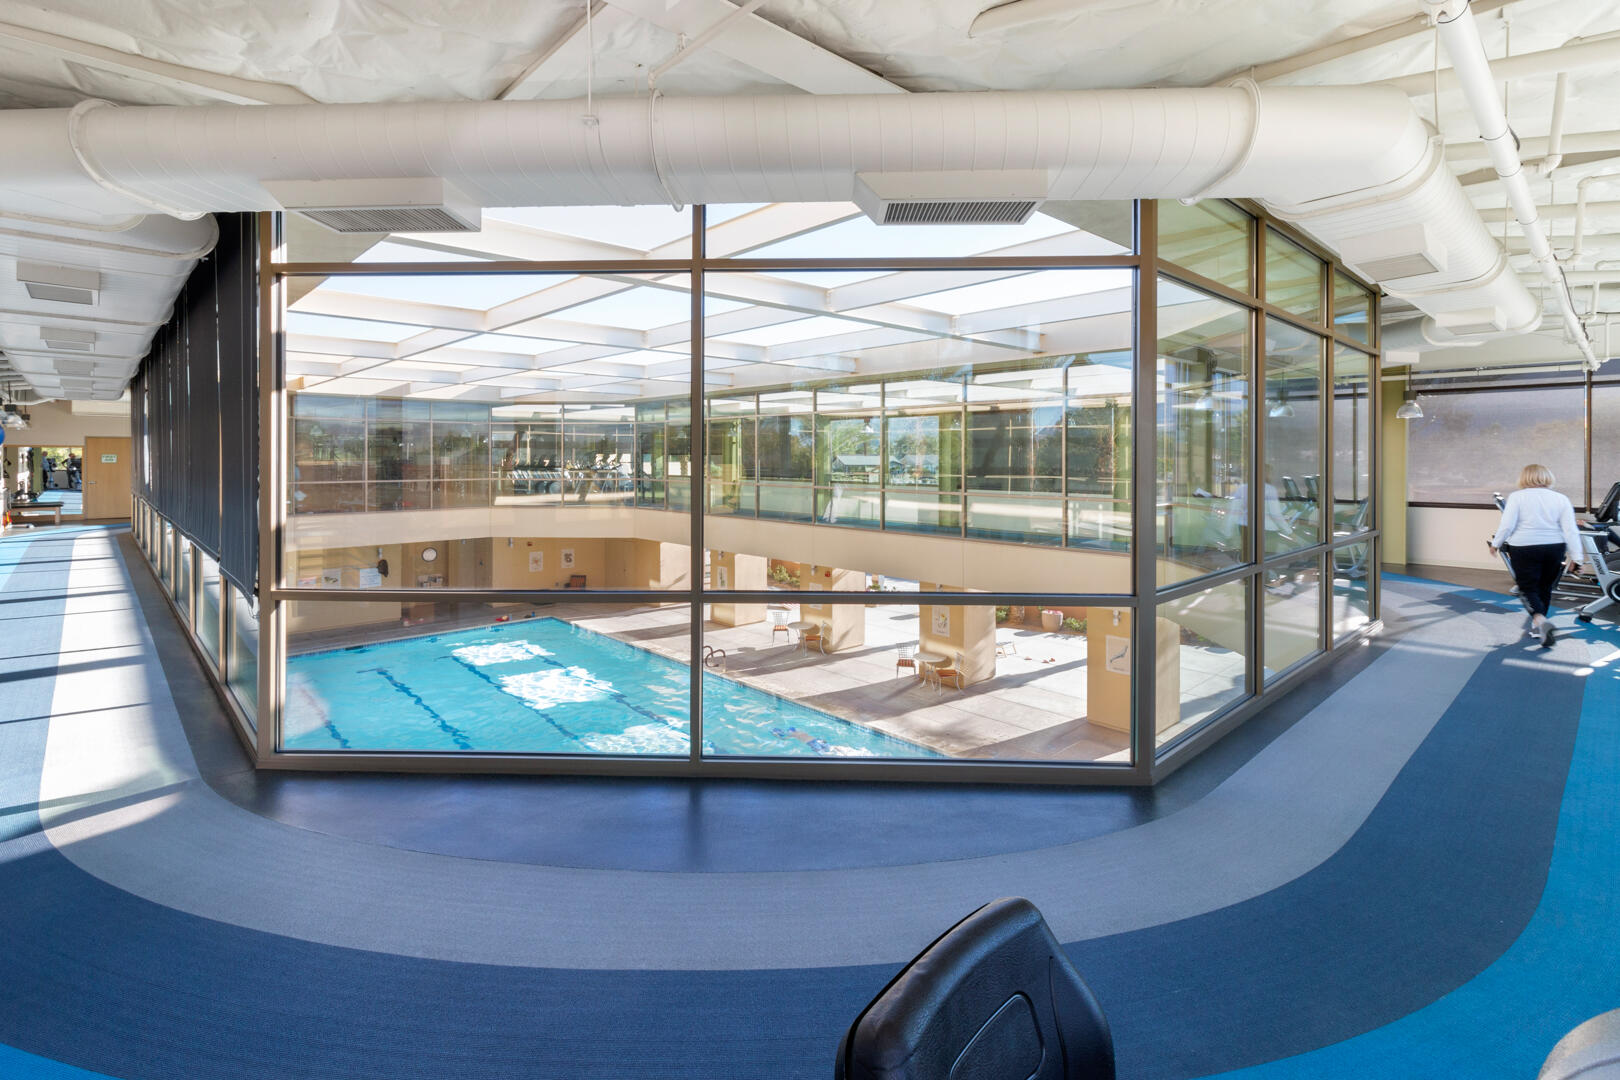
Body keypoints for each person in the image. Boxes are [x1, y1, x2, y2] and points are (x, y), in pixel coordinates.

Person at [1489, 463, 1582, 648]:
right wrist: (1577, 558)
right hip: (1554, 547)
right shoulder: (1561, 498)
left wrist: (1496, 544)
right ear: (1548, 477)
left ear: (1524, 478)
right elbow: (1570, 530)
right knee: (1545, 587)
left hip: (1524, 547)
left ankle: (1539, 619)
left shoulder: (1517, 497)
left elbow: (1507, 525)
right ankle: (1538, 626)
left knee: (1527, 587)